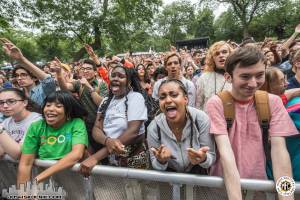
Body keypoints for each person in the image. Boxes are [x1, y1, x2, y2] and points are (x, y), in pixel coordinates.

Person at [206, 46, 297, 200]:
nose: (253, 83)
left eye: (259, 75)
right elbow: (226, 154)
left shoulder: (272, 102)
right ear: (228, 77)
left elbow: (281, 155)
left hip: (259, 187)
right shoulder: (217, 103)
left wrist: (287, 196)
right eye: (245, 77)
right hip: (223, 188)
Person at [80, 65, 148, 175]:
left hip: (134, 159)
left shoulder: (135, 97)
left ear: (129, 82)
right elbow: (96, 129)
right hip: (113, 159)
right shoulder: (106, 101)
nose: (115, 79)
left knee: (138, 190)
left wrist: (96, 157)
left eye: (121, 76)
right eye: (113, 76)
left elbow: (133, 131)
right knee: (118, 190)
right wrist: (107, 141)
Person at [17, 91, 88, 185]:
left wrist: (37, 179)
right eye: (48, 105)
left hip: (76, 180)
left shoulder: (76, 123)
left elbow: (76, 154)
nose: (50, 109)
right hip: (48, 183)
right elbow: (25, 164)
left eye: (58, 106)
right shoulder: (36, 126)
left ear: (68, 111)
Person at [147, 79, 215, 173]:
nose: (168, 100)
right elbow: (155, 164)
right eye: (162, 97)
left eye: (174, 95)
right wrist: (160, 161)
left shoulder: (201, 119)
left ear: (186, 99)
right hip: (169, 182)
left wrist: (203, 159)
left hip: (197, 178)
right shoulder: (153, 128)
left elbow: (211, 156)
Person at [53, 59, 108, 152]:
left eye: (88, 69)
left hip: (100, 125)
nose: (85, 71)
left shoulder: (102, 84)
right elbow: (65, 88)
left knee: (102, 150)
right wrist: (59, 74)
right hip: (84, 125)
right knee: (87, 151)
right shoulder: (78, 83)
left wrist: (89, 87)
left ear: (95, 72)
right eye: (83, 69)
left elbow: (102, 104)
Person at [0, 38, 56, 107]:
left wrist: (21, 59)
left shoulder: (43, 91)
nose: (19, 78)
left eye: (24, 75)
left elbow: (48, 80)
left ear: (35, 78)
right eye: (17, 75)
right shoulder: (16, 93)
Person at [0, 88, 41, 160]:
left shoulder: (37, 121)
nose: (5, 106)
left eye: (11, 101)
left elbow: (18, 154)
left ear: (25, 103)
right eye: (1, 102)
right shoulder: (6, 122)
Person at [195, 41, 232, 110]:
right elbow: (198, 105)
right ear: (212, 58)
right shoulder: (204, 78)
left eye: (224, 52)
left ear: (231, 54)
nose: (221, 55)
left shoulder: (238, 77)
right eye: (217, 54)